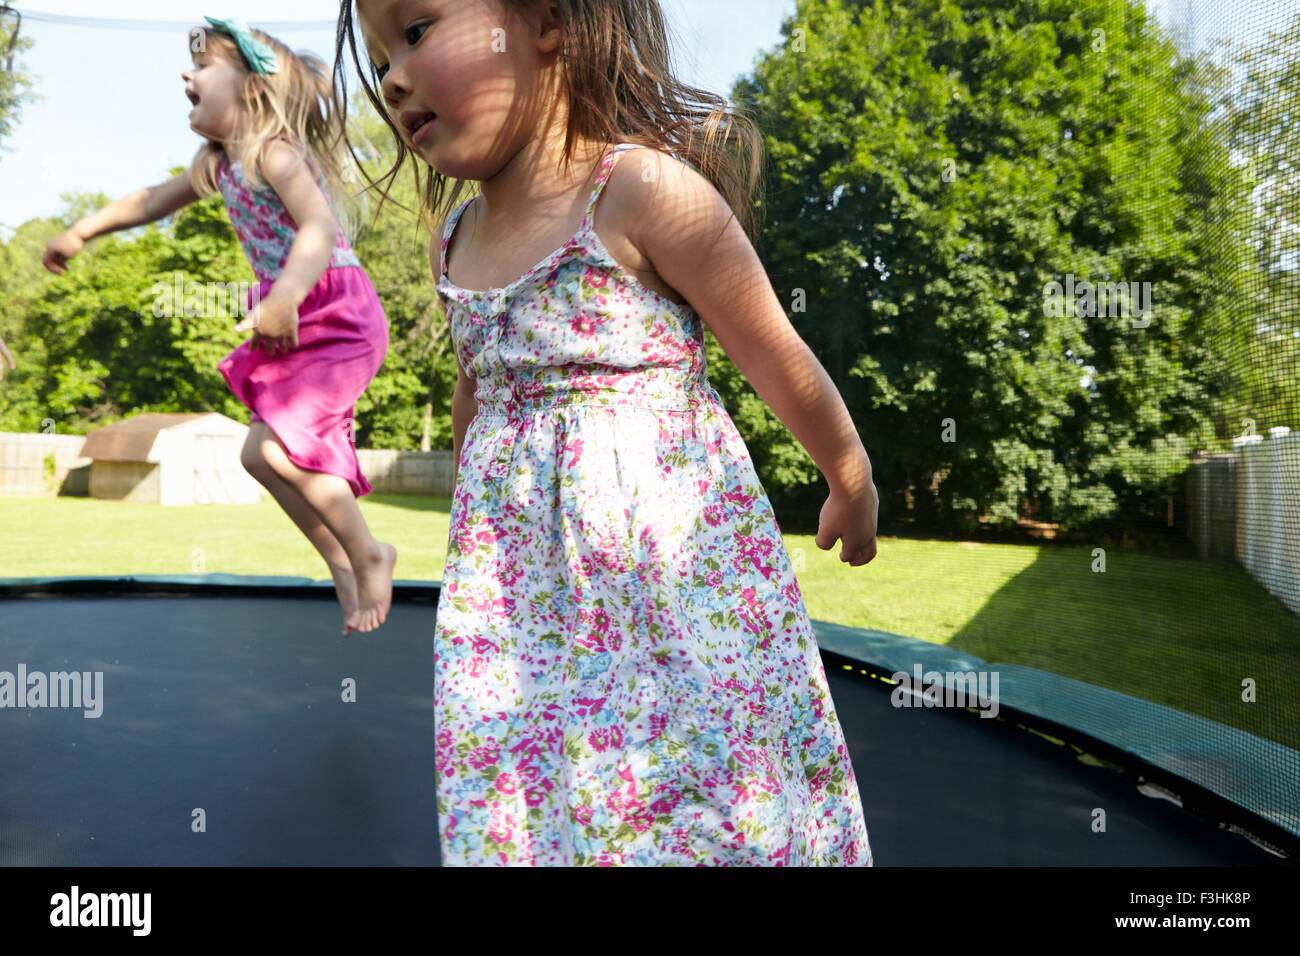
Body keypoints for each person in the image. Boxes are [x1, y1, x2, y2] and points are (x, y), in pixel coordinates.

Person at [341, 0, 880, 865]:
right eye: (376, 59)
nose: (392, 78)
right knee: (539, 783)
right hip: (521, 596)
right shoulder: (455, 239)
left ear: (545, 20)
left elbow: (772, 351)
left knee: (704, 779)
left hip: (670, 574)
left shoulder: (637, 191)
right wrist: (471, 533)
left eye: (414, 31)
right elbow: (477, 387)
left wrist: (849, 476)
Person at [42, 16, 396, 636]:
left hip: (334, 312)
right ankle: (341, 559)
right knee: (259, 455)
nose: (188, 73)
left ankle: (369, 552)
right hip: (286, 316)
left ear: (253, 89)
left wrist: (285, 295)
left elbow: (316, 227)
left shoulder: (276, 154)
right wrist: (82, 230)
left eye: (203, 65)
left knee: (286, 450)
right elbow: (151, 200)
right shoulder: (218, 166)